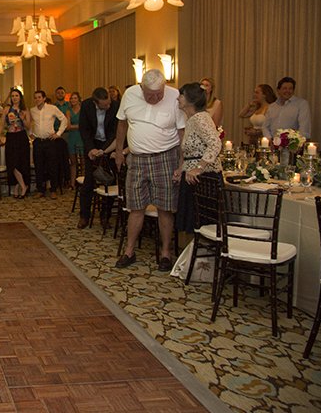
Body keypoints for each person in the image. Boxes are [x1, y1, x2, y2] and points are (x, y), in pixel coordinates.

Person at [114, 69, 186, 271]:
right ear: (141, 88)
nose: (154, 98)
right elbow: (122, 125)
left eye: (158, 94)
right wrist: (119, 152)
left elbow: (182, 133)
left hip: (165, 157)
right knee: (135, 207)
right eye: (149, 95)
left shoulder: (174, 96)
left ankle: (165, 253)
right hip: (137, 159)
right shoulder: (130, 95)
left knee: (165, 207)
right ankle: (129, 251)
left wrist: (182, 163)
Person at [173, 83, 222, 234]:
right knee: (195, 226)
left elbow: (215, 143)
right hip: (193, 178)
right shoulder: (193, 119)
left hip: (203, 179)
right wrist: (181, 169)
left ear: (190, 99)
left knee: (202, 225)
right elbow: (192, 151)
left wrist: (198, 168)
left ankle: (201, 257)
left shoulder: (200, 118)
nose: (178, 98)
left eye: (181, 95)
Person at [77, 87, 118, 229]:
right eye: (104, 105)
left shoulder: (115, 106)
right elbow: (84, 129)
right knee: (89, 182)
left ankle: (105, 217)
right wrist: (91, 149)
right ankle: (84, 216)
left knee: (109, 182)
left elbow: (114, 132)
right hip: (92, 145)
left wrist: (103, 150)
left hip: (108, 146)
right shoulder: (87, 105)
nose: (108, 106)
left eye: (108, 103)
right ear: (96, 103)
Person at [29, 90, 67, 198]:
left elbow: (64, 120)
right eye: (35, 97)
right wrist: (30, 133)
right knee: (39, 166)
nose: (37, 99)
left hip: (50, 141)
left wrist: (58, 133)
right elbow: (29, 123)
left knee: (52, 166)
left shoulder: (52, 108)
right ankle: (40, 190)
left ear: (44, 98)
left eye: (39, 97)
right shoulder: (32, 110)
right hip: (37, 142)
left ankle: (53, 190)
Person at [3, 88, 31, 199]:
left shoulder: (25, 110)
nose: (14, 98)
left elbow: (29, 126)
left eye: (16, 95)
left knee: (21, 163)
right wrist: (1, 134)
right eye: (13, 96)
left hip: (21, 137)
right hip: (10, 137)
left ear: (20, 97)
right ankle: (22, 186)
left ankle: (19, 187)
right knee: (11, 163)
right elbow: (2, 124)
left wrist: (23, 119)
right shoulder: (6, 109)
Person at [64, 92, 83, 190]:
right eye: (72, 98)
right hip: (72, 137)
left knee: (83, 161)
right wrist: (79, 126)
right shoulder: (68, 111)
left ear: (79, 99)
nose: (73, 100)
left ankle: (84, 182)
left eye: (75, 98)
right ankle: (73, 183)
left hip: (82, 137)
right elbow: (68, 126)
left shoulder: (83, 110)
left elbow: (85, 125)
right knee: (73, 162)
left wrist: (74, 126)